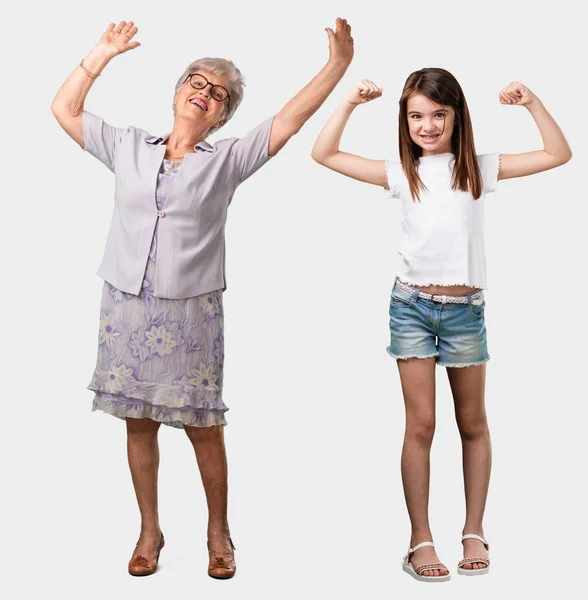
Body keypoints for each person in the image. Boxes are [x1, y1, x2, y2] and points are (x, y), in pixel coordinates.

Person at [51, 18, 354, 578]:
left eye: (219, 94)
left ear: (223, 114)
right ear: (176, 91)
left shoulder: (228, 160)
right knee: (136, 421)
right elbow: (65, 109)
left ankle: (219, 530)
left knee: (201, 425)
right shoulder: (127, 145)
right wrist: (103, 52)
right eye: (197, 81)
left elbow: (289, 120)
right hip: (126, 304)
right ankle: (149, 530)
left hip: (189, 310)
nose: (205, 92)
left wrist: (337, 65)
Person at [311, 68, 571, 582]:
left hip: (465, 312)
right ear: (404, 121)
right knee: (422, 424)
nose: (427, 125)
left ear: (456, 116)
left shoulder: (475, 167)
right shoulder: (400, 173)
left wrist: (532, 102)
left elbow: (557, 154)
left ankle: (474, 530)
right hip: (410, 308)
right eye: (416, 116)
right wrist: (350, 103)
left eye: (438, 114)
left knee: (472, 422)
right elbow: (324, 154)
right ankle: (420, 539)